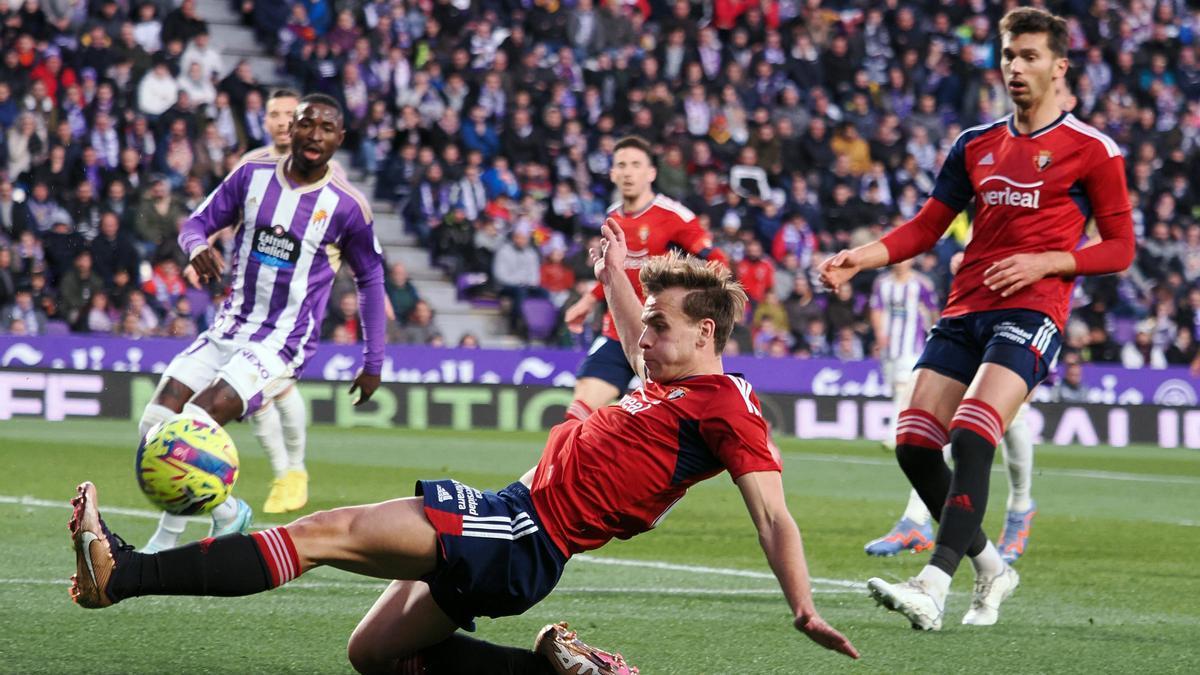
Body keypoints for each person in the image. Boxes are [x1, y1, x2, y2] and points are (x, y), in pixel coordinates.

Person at [68, 224, 860, 673]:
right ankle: (559, 672)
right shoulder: (668, 375)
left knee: (324, 531)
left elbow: (775, 517)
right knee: (374, 654)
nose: (641, 338)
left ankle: (124, 574)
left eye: (660, 326)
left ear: (707, 333)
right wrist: (621, 273)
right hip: (518, 529)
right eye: (645, 323)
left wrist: (803, 606)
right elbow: (625, 324)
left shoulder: (727, 406)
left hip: (524, 531)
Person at [819, 8, 1133, 630]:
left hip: (1033, 310)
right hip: (965, 308)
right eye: (1009, 54)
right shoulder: (975, 143)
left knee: (972, 433)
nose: (1016, 66)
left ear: (1058, 66)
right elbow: (928, 226)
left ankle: (932, 585)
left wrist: (1048, 260)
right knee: (913, 444)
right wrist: (864, 257)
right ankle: (991, 566)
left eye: (1031, 56)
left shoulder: (1093, 150)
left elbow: (1120, 248)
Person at [138, 93, 386, 554]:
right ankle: (229, 514)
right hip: (229, 327)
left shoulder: (347, 206)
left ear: (340, 139)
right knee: (154, 423)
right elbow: (196, 223)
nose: (314, 136)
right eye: (307, 125)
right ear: (291, 129)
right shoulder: (251, 176)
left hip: (281, 343)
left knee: (194, 421)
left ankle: (165, 540)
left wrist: (373, 360)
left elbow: (370, 278)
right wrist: (196, 247)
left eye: (326, 129)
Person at [188, 89, 318, 516]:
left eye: (289, 114)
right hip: (250, 295)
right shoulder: (251, 165)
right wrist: (202, 254)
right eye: (274, 114)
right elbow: (230, 217)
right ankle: (284, 472)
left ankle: (293, 470)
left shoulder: (319, 169)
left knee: (277, 387)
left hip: (296, 296)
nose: (282, 122)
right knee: (254, 393)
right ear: (265, 121)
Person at [864, 254, 1040, 566]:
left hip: (1030, 316)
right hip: (976, 314)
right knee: (951, 420)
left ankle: (1019, 508)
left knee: (1014, 417)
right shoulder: (991, 211)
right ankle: (915, 520)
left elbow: (1106, 249)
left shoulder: (1054, 220)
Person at [561, 135, 727, 423]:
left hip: (660, 336)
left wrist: (696, 305)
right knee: (576, 416)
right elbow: (615, 271)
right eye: (621, 165)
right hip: (617, 331)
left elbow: (717, 262)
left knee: (683, 423)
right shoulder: (612, 215)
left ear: (651, 173)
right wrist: (589, 299)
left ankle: (756, 440)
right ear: (612, 173)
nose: (628, 172)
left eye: (636, 164)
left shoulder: (674, 216)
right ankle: (560, 467)